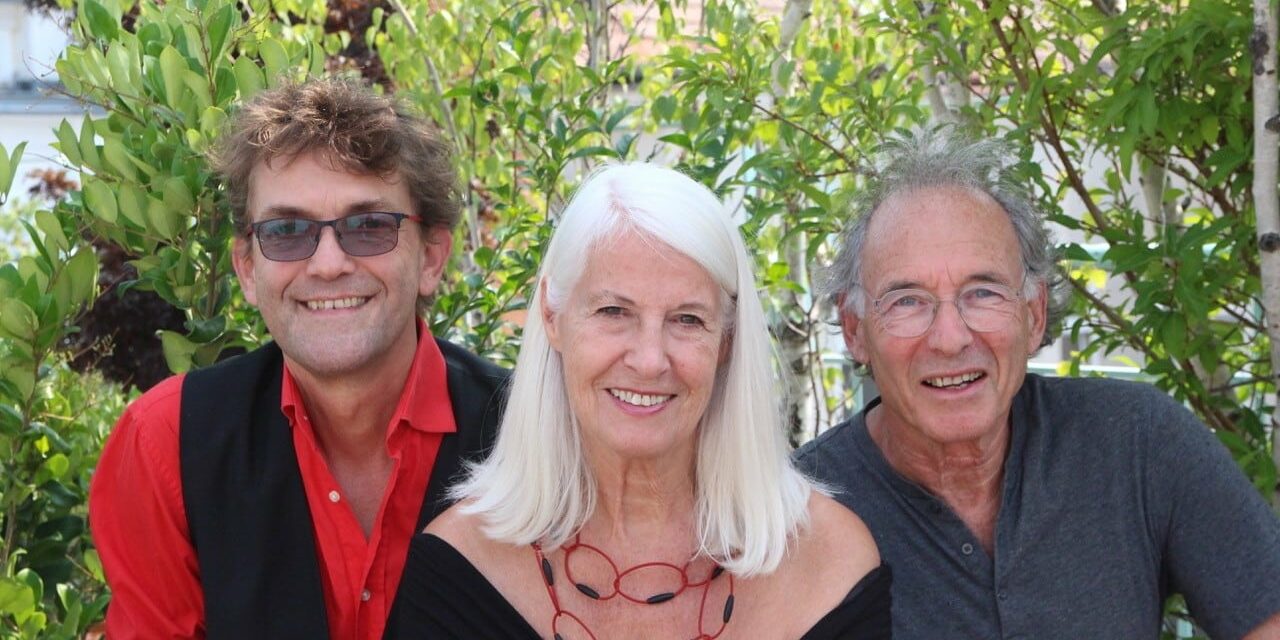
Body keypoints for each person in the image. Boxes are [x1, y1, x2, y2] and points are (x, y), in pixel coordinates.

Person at [794, 128, 1280, 639]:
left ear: (1035, 314)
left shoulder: (1138, 441)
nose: (951, 338)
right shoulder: (794, 516)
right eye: (907, 301)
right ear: (855, 330)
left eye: (983, 292)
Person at [389, 163, 890, 639]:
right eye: (613, 311)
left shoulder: (828, 566)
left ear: (727, 341)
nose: (650, 361)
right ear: (551, 316)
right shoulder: (461, 570)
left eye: (688, 319)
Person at [88, 78, 507, 640]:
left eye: (368, 226)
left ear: (431, 258)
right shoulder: (165, 445)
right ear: (247, 269)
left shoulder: (536, 437)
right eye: (287, 231)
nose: (328, 264)